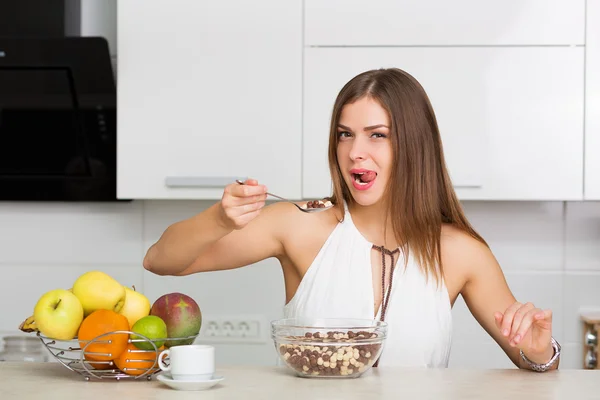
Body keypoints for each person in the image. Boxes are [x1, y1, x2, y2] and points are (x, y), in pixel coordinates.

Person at [143, 68, 560, 371]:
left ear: (414, 145)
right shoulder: (299, 225)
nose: (355, 151)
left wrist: (541, 351)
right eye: (345, 134)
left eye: (377, 134)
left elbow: (534, 365)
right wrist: (221, 217)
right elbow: (161, 260)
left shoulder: (460, 252)